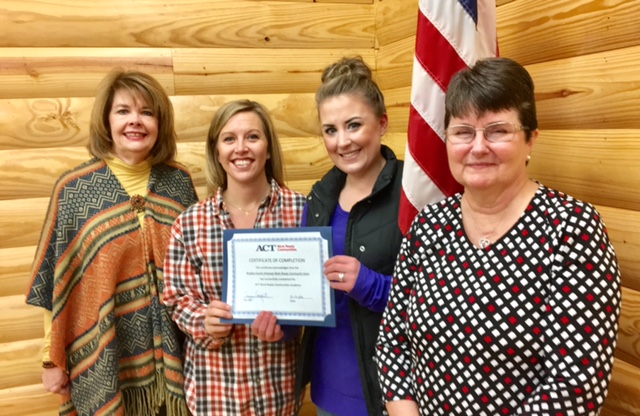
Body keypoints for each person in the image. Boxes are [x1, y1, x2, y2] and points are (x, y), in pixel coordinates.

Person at [375, 57, 622, 416]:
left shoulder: (572, 230)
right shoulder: (428, 226)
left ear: (530, 139)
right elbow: (392, 342)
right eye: (463, 132)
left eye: (497, 131)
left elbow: (575, 387)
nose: (478, 147)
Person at [25, 70, 197, 415]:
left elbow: (199, 266)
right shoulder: (74, 190)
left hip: (179, 349)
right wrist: (51, 358)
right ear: (106, 120)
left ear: (160, 123)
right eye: (123, 111)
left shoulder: (178, 183)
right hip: (106, 354)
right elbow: (56, 283)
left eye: (147, 112)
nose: (136, 121)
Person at [162, 99, 306, 415]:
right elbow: (175, 298)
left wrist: (289, 325)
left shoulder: (302, 212)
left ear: (268, 149)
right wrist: (204, 320)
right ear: (217, 152)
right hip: (213, 392)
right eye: (229, 139)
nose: (241, 148)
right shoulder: (190, 223)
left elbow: (313, 294)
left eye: (252, 137)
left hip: (278, 390)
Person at [294, 56, 404, 416]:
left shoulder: (412, 193)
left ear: (382, 123)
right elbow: (307, 291)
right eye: (330, 130)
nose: (342, 142)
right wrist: (280, 318)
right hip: (328, 386)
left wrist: (370, 284)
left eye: (354, 125)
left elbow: (439, 298)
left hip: (392, 391)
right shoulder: (320, 197)